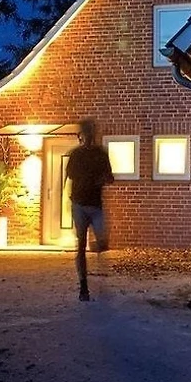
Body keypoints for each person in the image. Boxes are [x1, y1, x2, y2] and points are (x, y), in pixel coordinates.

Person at [65, 118, 113, 301]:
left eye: (91, 132)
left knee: (102, 242)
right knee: (81, 245)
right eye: (87, 132)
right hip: (79, 204)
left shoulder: (100, 154)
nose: (89, 136)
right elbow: (70, 175)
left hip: (94, 205)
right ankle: (83, 286)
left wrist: (104, 179)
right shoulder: (76, 155)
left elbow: (110, 176)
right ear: (82, 135)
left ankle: (98, 274)